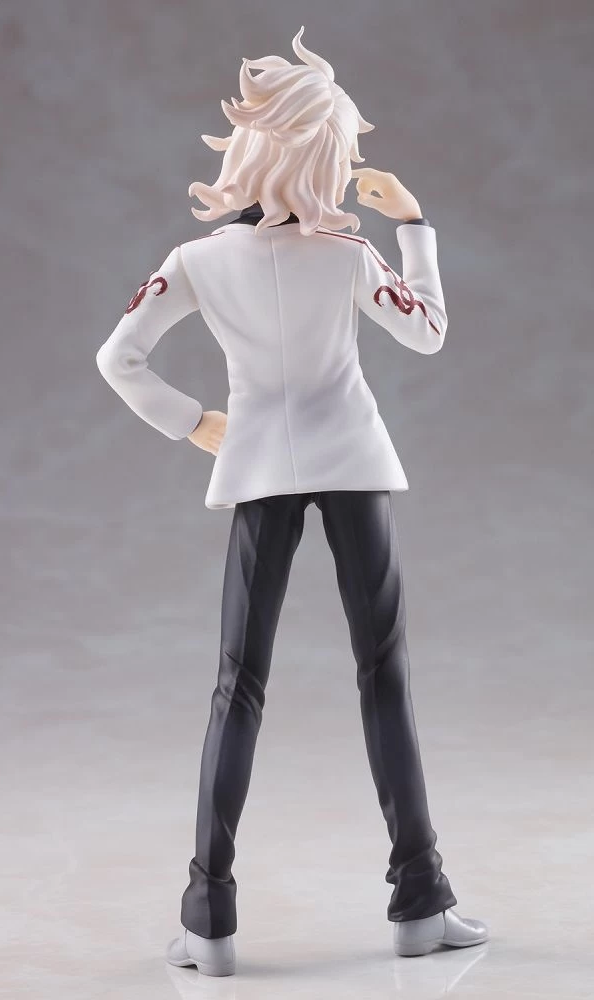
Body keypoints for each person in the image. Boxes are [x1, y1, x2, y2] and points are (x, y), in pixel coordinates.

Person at [95, 26, 488, 977]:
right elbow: (430, 332)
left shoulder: (199, 260)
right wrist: (415, 224)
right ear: (321, 155)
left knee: (238, 687)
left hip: (260, 466)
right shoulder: (346, 256)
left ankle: (208, 920)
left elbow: (118, 358)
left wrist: (193, 421)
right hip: (352, 460)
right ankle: (420, 899)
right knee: (383, 677)